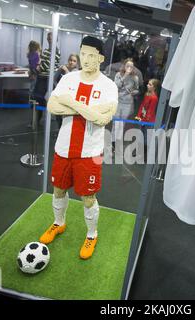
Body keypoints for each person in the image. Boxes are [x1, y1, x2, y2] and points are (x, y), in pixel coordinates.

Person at [39, 36, 118, 260]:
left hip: (90, 152)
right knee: (58, 189)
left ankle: (92, 234)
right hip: (63, 148)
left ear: (101, 58)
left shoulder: (108, 85)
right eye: (83, 53)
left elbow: (104, 119)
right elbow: (52, 105)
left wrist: (71, 103)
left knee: (88, 197)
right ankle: (58, 223)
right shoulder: (68, 79)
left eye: (91, 55)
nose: (85, 58)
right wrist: (88, 110)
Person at [32, 32, 61, 125]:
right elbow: (40, 63)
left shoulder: (56, 51)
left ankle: (59, 125)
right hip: (41, 78)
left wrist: (39, 65)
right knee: (38, 100)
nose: (49, 40)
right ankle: (35, 121)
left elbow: (46, 65)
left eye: (51, 38)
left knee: (55, 102)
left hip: (48, 79)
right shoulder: (45, 51)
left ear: (56, 40)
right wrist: (39, 65)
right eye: (48, 38)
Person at [112, 59, 139, 154]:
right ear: (124, 66)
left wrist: (134, 92)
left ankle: (117, 144)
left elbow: (137, 89)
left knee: (122, 124)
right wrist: (125, 76)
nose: (129, 68)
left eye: (131, 66)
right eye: (127, 66)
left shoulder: (135, 77)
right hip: (118, 101)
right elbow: (116, 86)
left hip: (127, 103)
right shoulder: (118, 75)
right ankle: (113, 143)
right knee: (116, 124)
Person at [54, 53, 80, 128]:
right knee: (58, 114)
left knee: (67, 116)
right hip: (60, 95)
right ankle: (59, 129)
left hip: (70, 97)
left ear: (77, 63)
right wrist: (57, 88)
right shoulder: (62, 68)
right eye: (70, 60)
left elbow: (71, 81)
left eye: (74, 61)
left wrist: (66, 71)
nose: (71, 62)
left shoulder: (77, 72)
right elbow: (54, 79)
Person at [135, 78, 160, 148]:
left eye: (150, 84)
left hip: (148, 120)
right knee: (141, 134)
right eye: (148, 84)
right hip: (143, 118)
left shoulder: (154, 98)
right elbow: (142, 105)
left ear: (154, 87)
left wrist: (144, 119)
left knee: (146, 136)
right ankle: (141, 150)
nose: (147, 85)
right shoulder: (147, 94)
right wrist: (139, 115)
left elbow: (150, 111)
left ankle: (145, 151)